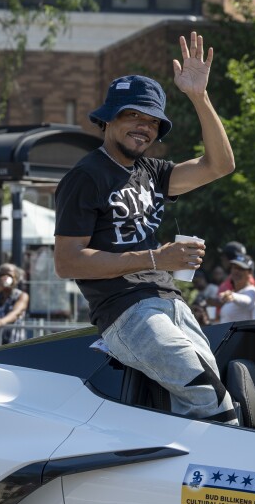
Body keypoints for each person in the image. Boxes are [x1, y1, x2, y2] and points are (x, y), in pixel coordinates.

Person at [53, 32, 237, 424]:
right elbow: (68, 262)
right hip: (126, 312)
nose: (145, 126)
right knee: (211, 397)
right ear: (108, 119)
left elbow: (219, 165)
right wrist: (158, 257)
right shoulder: (85, 177)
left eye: (153, 121)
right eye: (133, 115)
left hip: (171, 303)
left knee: (221, 393)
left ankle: (173, 477)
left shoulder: (153, 172)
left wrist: (199, 97)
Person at [217, 254, 255, 324]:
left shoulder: (252, 290)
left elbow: (247, 301)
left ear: (250, 272)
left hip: (244, 334)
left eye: (240, 269)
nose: (236, 271)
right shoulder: (234, 293)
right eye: (234, 267)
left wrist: (232, 296)